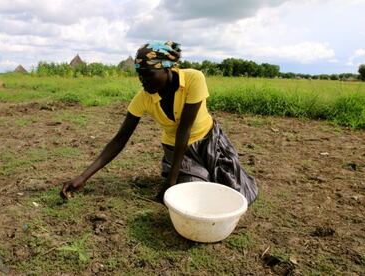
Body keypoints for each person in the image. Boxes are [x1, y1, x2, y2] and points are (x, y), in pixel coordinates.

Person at [60, 41, 258, 205]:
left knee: (238, 193)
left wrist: (170, 181)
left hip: (209, 142)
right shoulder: (144, 98)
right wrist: (83, 177)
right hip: (177, 149)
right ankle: (186, 173)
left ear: (166, 69)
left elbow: (184, 130)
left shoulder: (193, 79)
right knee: (192, 193)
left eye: (148, 74)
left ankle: (182, 173)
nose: (142, 80)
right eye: (139, 75)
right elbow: (119, 139)